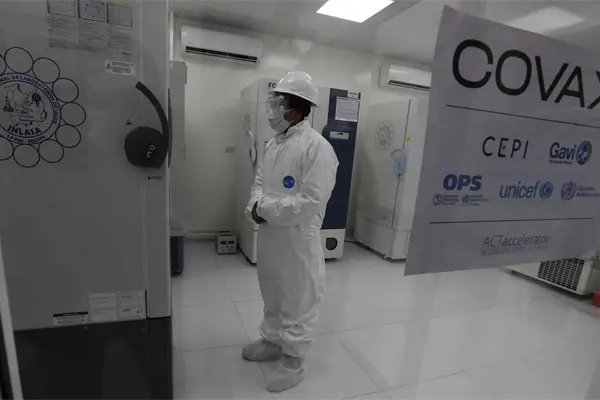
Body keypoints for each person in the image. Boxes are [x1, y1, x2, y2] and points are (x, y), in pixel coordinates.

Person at [243, 71, 339, 392]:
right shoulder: (274, 144)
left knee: (297, 300)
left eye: (279, 103)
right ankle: (272, 341)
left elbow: (310, 202)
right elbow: (259, 183)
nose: (273, 109)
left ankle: (295, 361)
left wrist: (264, 209)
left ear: (297, 108)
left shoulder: (317, 148)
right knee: (272, 292)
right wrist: (254, 206)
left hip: (298, 242)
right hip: (271, 237)